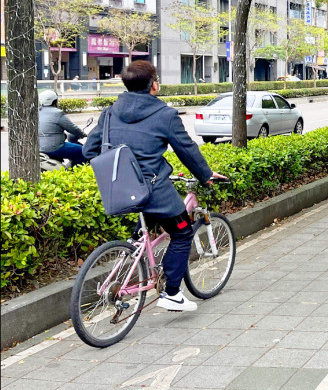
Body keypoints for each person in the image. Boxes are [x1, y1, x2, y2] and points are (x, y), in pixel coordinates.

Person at [83, 60, 226, 313]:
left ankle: (133, 256)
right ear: (154, 85)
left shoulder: (109, 113)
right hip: (152, 190)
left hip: (118, 187)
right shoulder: (165, 115)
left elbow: (89, 150)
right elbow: (187, 150)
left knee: (143, 233)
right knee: (182, 232)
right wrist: (205, 174)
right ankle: (171, 294)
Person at [38, 90, 90, 166]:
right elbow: (72, 128)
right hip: (55, 147)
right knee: (82, 151)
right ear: (54, 101)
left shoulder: (37, 111)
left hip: (39, 147)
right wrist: (83, 135)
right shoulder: (57, 113)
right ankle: (76, 172)